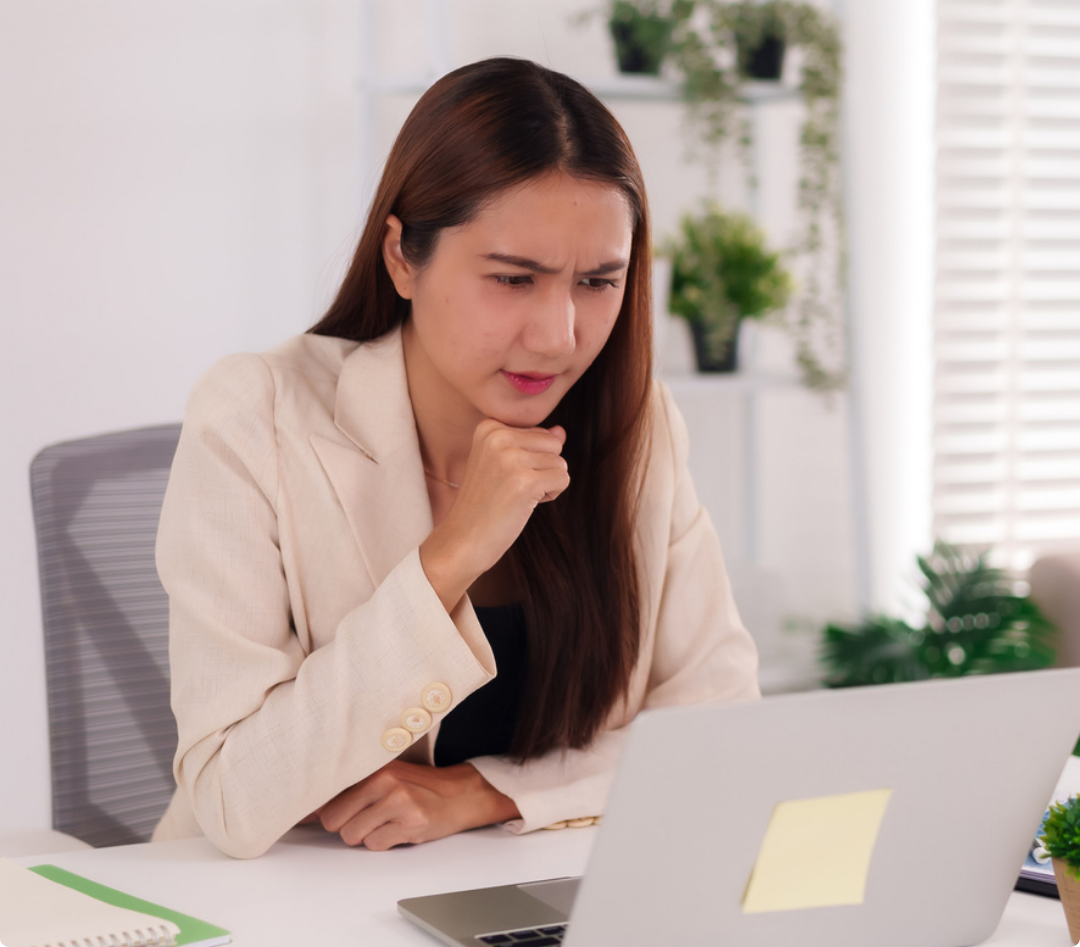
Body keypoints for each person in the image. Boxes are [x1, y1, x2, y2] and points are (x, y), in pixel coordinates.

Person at [152, 57, 759, 859]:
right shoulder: (254, 416)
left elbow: (720, 727)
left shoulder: (634, 425)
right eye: (514, 279)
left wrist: (488, 793)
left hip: (535, 893)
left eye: (598, 282)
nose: (559, 335)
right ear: (402, 256)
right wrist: (450, 559)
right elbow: (233, 793)